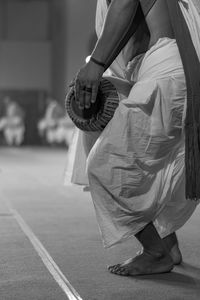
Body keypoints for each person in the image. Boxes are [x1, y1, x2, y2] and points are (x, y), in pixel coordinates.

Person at [69, 0, 200, 276]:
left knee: (105, 166)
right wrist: (93, 70)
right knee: (155, 169)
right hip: (168, 70)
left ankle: (155, 253)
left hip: (167, 71)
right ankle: (167, 243)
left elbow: (126, 4)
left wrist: (95, 65)